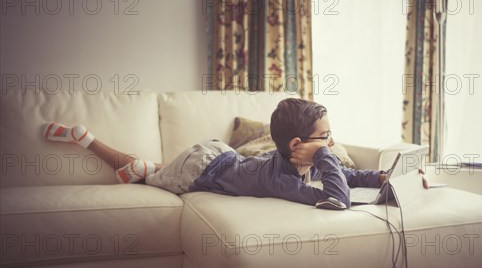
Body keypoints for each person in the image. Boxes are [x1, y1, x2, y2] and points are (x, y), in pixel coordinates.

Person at [42, 98, 402, 208]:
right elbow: (338, 198)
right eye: (325, 138)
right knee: (145, 172)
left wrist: (384, 178)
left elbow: (350, 177)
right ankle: (86, 140)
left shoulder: (297, 159)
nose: (332, 145)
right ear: (298, 146)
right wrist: (324, 155)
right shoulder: (283, 180)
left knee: (151, 168)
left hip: (221, 157)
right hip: (202, 169)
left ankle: (141, 167)